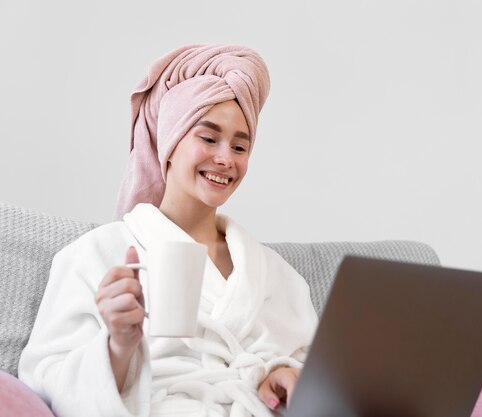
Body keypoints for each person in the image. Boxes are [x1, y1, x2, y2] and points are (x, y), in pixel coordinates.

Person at [18, 44, 319, 417]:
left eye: (240, 147)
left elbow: (319, 381)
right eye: (208, 139)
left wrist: (283, 375)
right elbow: (44, 383)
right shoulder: (96, 255)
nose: (225, 158)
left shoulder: (276, 274)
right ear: (170, 143)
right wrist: (117, 346)